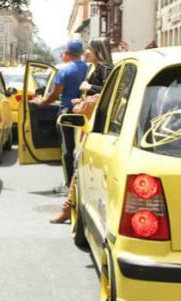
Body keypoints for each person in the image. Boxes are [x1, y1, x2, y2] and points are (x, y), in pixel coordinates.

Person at [50, 38, 114, 224]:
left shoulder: (105, 69)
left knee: (78, 162)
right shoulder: (93, 68)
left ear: (98, 51)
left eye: (90, 49)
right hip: (90, 120)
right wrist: (82, 100)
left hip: (96, 123)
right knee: (80, 162)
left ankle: (69, 208)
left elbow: (108, 92)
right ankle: (70, 207)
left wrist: (89, 87)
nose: (86, 52)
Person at [30, 38, 88, 190]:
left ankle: (69, 183)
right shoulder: (89, 68)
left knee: (67, 149)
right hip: (86, 112)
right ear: (81, 53)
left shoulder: (64, 71)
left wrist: (41, 103)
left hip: (67, 113)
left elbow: (55, 95)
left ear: (68, 53)